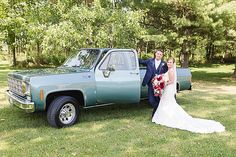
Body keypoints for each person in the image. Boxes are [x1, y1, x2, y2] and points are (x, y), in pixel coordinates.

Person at [152, 57, 225, 133]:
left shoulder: (171, 71)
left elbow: (171, 81)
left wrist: (161, 83)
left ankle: (168, 118)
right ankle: (166, 116)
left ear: (173, 63)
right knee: (167, 102)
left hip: (168, 88)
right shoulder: (169, 70)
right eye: (168, 62)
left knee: (168, 102)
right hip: (168, 89)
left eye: (170, 62)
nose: (169, 63)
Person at [139, 50, 168, 117]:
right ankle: (161, 110)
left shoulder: (164, 64)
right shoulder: (150, 61)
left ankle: (155, 115)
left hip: (159, 86)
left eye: (160, 54)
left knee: (157, 100)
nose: (159, 55)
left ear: (162, 56)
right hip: (150, 84)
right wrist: (133, 57)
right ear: (155, 54)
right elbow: (141, 62)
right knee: (151, 100)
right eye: (158, 54)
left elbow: (166, 73)